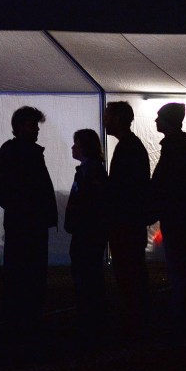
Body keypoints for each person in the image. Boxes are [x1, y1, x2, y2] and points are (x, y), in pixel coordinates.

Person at [0, 106, 58, 338]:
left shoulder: (17, 151)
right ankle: (25, 320)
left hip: (25, 224)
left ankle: (21, 320)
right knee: (28, 273)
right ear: (19, 127)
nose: (36, 129)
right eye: (33, 125)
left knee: (24, 273)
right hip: (27, 225)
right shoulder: (20, 152)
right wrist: (26, 208)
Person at [149, 102, 186, 339]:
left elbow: (164, 184)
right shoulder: (185, 147)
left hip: (178, 219)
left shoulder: (174, 149)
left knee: (179, 268)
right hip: (184, 218)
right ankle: (184, 317)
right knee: (183, 269)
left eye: (159, 118)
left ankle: (182, 320)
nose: (155, 122)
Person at [102, 101, 151, 340]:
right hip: (130, 222)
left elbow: (125, 190)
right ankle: (137, 321)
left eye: (108, 116)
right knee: (132, 273)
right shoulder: (132, 147)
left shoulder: (127, 149)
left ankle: (135, 323)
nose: (104, 119)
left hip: (126, 224)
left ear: (118, 119)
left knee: (129, 273)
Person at [65, 128, 109, 346]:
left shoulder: (90, 173)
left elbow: (89, 204)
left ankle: (91, 322)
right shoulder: (89, 171)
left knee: (87, 275)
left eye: (76, 144)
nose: (73, 147)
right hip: (87, 232)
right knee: (88, 275)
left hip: (86, 233)